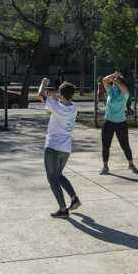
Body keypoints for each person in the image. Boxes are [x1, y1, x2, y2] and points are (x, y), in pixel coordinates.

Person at [38, 78, 80, 219]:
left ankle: (63, 209)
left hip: (53, 147)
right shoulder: (74, 108)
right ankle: (74, 198)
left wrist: (43, 83)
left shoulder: (56, 106)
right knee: (59, 175)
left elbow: (40, 94)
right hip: (66, 148)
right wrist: (57, 96)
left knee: (52, 177)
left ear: (61, 95)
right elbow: (63, 100)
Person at [100, 72, 138, 175]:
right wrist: (114, 75)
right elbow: (104, 80)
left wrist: (116, 80)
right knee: (105, 146)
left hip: (121, 123)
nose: (113, 84)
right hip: (108, 122)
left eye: (116, 82)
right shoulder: (111, 91)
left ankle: (131, 164)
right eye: (113, 83)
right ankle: (105, 167)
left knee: (125, 145)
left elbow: (124, 89)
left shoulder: (125, 94)